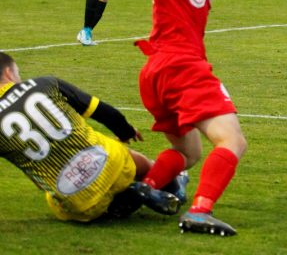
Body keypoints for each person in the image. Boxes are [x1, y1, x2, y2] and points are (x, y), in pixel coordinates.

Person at [46, 0, 287, 236]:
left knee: (187, 152)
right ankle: (200, 211)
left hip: (157, 72)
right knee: (233, 141)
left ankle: (148, 187)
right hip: (181, 67)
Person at [0, 52, 184, 222]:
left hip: (78, 199)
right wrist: (126, 131)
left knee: (54, 200)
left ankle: (116, 205)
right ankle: (170, 187)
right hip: (113, 164)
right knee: (125, 155)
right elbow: (105, 112)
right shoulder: (46, 83)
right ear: (8, 72)